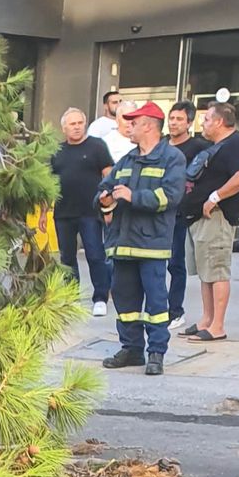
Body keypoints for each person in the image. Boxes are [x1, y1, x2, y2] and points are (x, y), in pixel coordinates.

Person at [97, 101, 185, 376]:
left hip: (151, 245)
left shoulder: (172, 158)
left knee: (157, 304)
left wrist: (134, 197)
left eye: (134, 122)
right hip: (121, 244)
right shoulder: (126, 159)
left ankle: (156, 352)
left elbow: (170, 197)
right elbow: (103, 188)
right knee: (125, 302)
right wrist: (104, 200)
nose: (129, 126)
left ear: (148, 125)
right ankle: (132, 349)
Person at [177, 102, 239, 343]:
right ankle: (206, 320)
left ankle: (218, 326)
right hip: (200, 218)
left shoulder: (236, 143)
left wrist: (215, 197)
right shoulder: (218, 146)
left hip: (218, 217)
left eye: (207, 119)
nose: (204, 124)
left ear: (220, 122)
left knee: (217, 271)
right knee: (206, 272)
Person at [49, 108, 112, 315]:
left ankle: (101, 297)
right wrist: (43, 213)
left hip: (90, 212)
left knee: (95, 254)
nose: (76, 127)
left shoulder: (97, 146)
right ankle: (71, 297)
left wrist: (109, 204)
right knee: (67, 257)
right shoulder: (56, 151)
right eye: (72, 124)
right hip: (63, 212)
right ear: (64, 128)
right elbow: (47, 183)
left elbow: (108, 176)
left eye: (79, 123)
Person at [164, 102, 206, 328]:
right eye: (171, 118)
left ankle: (176, 311)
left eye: (179, 119)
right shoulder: (162, 145)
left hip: (182, 213)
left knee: (176, 263)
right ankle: (158, 308)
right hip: (160, 211)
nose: (173, 123)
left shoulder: (198, 147)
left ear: (189, 123)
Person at [90, 89, 132, 164]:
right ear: (106, 106)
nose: (119, 104)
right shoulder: (97, 126)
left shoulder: (132, 123)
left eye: (121, 101)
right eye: (114, 102)